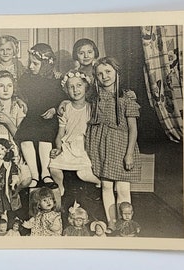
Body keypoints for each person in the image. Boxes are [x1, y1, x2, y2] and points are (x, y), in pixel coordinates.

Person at [85, 56, 141, 232]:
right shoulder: (94, 98)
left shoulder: (127, 98)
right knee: (106, 186)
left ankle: (126, 223)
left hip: (121, 145)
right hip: (100, 145)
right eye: (100, 74)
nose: (104, 76)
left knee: (123, 188)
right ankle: (112, 221)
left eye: (108, 72)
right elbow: (75, 101)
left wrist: (129, 153)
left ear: (117, 72)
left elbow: (133, 129)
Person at [15, 43, 67, 188]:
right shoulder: (26, 78)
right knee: (25, 136)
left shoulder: (56, 80)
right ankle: (34, 175)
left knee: (45, 135)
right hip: (31, 114)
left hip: (48, 117)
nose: (31, 66)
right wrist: (19, 100)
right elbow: (18, 93)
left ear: (45, 64)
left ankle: (45, 173)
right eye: (30, 62)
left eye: (35, 64)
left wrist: (55, 109)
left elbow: (62, 98)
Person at [49, 70, 101, 197]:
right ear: (66, 90)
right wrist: (58, 148)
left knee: (83, 173)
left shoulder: (92, 108)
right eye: (71, 87)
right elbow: (60, 134)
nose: (75, 90)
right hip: (67, 145)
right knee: (54, 167)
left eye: (79, 85)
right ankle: (60, 187)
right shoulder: (65, 108)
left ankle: (100, 183)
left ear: (86, 87)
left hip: (84, 147)